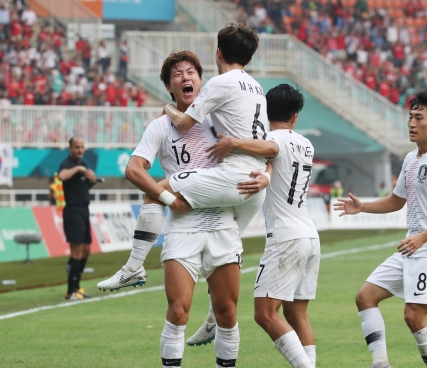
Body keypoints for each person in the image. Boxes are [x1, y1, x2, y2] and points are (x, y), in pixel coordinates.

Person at [96, 50, 268, 368]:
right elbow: (134, 169)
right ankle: (135, 268)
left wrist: (266, 175)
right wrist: (167, 200)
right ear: (169, 88)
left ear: (201, 82)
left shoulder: (221, 118)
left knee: (227, 311)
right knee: (178, 311)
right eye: (177, 75)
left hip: (221, 221)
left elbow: (264, 150)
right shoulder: (161, 126)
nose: (186, 77)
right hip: (182, 225)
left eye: (191, 72)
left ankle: (134, 266)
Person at [334, 91, 427, 368]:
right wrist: (363, 207)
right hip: (412, 246)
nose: (412, 123)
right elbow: (396, 201)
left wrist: (423, 236)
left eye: (419, 118)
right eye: (410, 117)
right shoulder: (410, 159)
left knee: (413, 316)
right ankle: (380, 363)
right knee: (365, 297)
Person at [204, 84, 319, 367]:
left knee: (264, 313)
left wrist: (234, 143)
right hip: (309, 235)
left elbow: (271, 147)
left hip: (285, 237)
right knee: (296, 315)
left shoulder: (269, 138)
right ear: (295, 116)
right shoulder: (307, 143)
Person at [145, 24, 269, 235]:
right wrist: (267, 176)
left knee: (155, 193)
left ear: (218, 52)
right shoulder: (258, 88)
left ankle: (135, 264)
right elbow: (271, 146)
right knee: (226, 242)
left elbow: (183, 123)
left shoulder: (219, 83)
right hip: (258, 183)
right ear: (248, 59)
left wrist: (167, 107)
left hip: (233, 178)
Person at [58, 136, 98, 301]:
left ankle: (77, 286)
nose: (80, 150)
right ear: (70, 148)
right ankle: (70, 290)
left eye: (82, 147)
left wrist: (92, 179)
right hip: (73, 210)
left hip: (84, 211)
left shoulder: (84, 164)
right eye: (77, 147)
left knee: (86, 250)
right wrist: (78, 170)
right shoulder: (67, 164)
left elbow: (87, 185)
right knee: (76, 251)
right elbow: (62, 176)